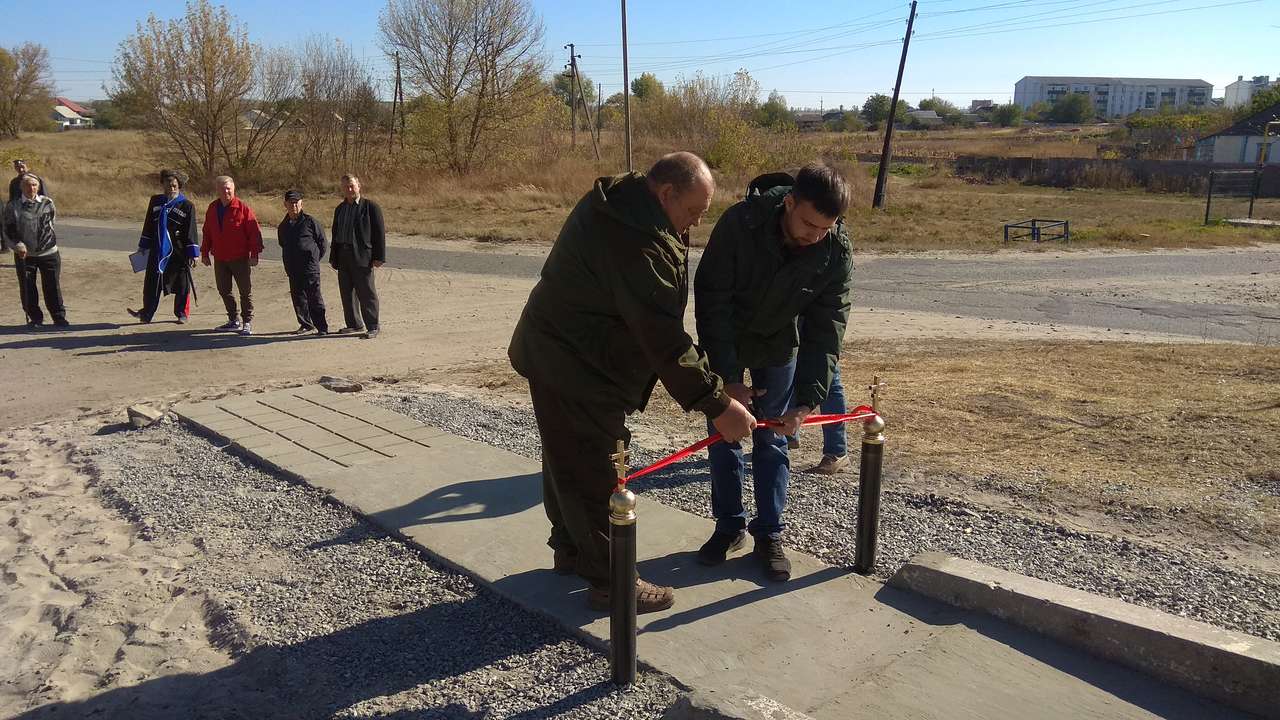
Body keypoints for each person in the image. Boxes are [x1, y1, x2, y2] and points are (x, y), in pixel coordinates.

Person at [509, 152, 756, 614]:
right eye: (694, 212)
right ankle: (611, 582)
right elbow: (662, 335)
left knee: (567, 457)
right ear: (666, 193)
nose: (697, 224)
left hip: (567, 353)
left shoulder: (631, 209)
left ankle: (571, 548)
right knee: (595, 466)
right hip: (576, 363)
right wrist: (717, 403)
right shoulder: (634, 238)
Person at [693, 162, 853, 582]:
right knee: (725, 434)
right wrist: (726, 379)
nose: (815, 235)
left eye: (825, 228)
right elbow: (712, 301)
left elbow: (828, 326)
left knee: (774, 438)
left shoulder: (834, 248)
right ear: (789, 202)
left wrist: (806, 401)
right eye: (808, 223)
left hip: (781, 345)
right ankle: (729, 527)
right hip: (728, 337)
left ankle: (770, 533)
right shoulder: (739, 224)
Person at [128, 169, 199, 324]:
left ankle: (182, 313)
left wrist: (193, 253)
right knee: (152, 283)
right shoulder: (155, 201)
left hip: (178, 251)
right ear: (163, 185)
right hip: (157, 249)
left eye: (174, 185)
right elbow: (148, 225)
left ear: (179, 186)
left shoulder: (187, 205)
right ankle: (146, 313)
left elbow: (191, 230)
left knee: (182, 284)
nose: (171, 187)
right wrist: (143, 246)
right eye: (168, 184)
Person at [201, 175, 262, 336]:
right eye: (222, 188)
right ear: (217, 190)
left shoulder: (243, 208)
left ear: (233, 189)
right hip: (220, 258)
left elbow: (254, 233)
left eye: (228, 188)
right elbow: (207, 232)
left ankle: (247, 321)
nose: (225, 191)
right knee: (224, 290)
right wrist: (204, 252)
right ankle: (233, 320)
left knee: (245, 291)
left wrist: (254, 254)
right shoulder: (212, 208)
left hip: (240, 258)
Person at [2, 174, 66, 328]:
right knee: (28, 287)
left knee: (52, 286)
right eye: (27, 185)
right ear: (21, 187)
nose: (31, 188)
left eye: (34, 185)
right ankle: (36, 318)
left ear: (38, 187)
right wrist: (17, 245)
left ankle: (59, 317)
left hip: (49, 253)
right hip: (25, 255)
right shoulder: (13, 206)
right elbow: (8, 229)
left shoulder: (47, 202)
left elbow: (51, 222)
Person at [330, 175, 384, 339]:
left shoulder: (370, 207)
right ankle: (354, 324)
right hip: (343, 255)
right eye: (346, 187)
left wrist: (379, 256)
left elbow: (379, 233)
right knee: (347, 292)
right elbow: (335, 233)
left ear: (359, 186)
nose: (349, 189)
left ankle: (373, 326)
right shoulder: (340, 209)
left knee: (366, 292)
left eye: (352, 186)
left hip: (362, 256)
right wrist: (334, 257)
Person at [278, 189, 329, 335]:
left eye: (296, 202)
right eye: (290, 202)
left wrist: (313, 259)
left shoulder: (310, 222)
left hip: (310, 268)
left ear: (301, 203)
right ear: (285, 204)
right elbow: (283, 243)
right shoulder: (283, 226)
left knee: (314, 298)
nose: (293, 205)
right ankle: (306, 324)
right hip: (293, 268)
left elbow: (322, 244)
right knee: (298, 298)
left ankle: (322, 327)